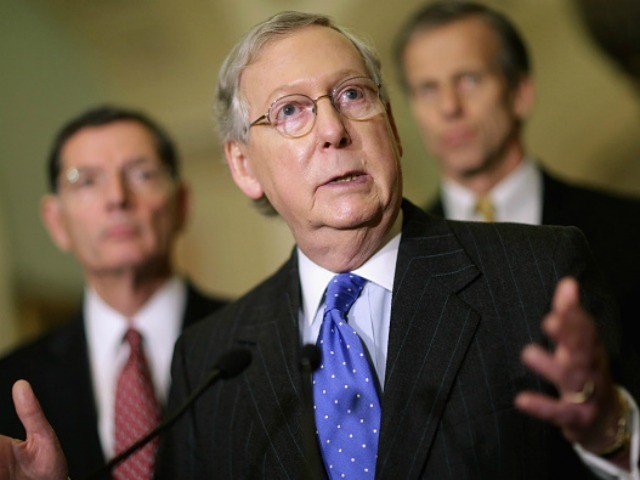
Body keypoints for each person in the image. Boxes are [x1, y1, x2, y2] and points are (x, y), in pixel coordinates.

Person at [1, 11, 639, 480]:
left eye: (352, 95)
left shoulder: (538, 272)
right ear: (244, 165)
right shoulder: (213, 356)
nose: (333, 129)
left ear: (387, 123)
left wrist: (612, 433)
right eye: (290, 112)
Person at [393, 1, 640, 360]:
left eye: (469, 79)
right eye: (428, 89)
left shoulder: (628, 230)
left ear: (520, 93)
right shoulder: (399, 262)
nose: (449, 107)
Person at [0, 106, 227, 479]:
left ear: (182, 204)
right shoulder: (12, 382)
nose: (118, 198)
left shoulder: (258, 344)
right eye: (87, 181)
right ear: (56, 222)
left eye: (142, 174)